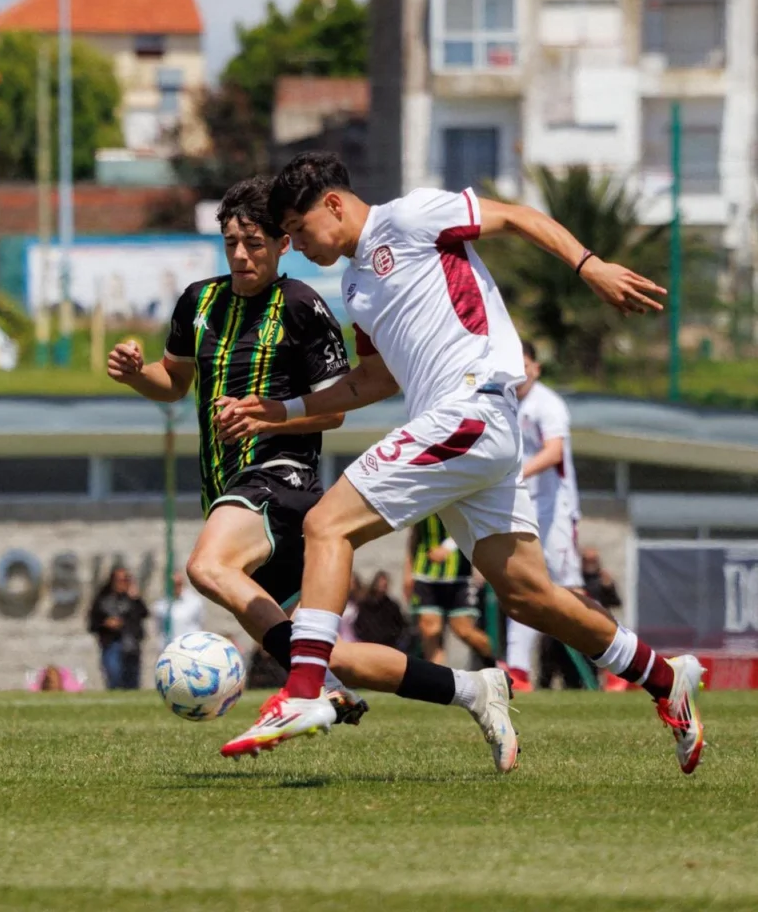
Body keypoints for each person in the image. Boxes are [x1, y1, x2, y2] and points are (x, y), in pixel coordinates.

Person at [217, 151, 706, 776]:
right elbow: (372, 381)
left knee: (325, 525)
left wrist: (590, 265)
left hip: (470, 409)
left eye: (298, 230)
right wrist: (279, 410)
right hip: (462, 434)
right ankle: (665, 679)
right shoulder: (355, 286)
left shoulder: (413, 216)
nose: (296, 245)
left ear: (333, 204)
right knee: (530, 597)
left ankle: (304, 692)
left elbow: (518, 217)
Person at [108, 175, 506, 756]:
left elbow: (334, 414)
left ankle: (309, 690)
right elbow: (173, 383)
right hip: (229, 489)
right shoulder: (198, 301)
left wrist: (266, 419)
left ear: (282, 244)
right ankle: (471, 688)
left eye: (256, 244)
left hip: (280, 481)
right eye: (232, 244)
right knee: (320, 649)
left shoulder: (304, 306)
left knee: (206, 566)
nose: (242, 255)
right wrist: (134, 373)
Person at [505, 340, 582, 691]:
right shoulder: (505, 404)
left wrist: (517, 474)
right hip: (526, 510)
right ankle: (518, 670)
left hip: (557, 513)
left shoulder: (547, 404)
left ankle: (619, 658)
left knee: (572, 591)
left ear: (536, 367)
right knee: (521, 585)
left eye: (523, 363)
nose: (518, 371)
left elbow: (554, 453)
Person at [404, 514, 494, 668]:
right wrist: (408, 571)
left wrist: (447, 547)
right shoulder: (421, 501)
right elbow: (414, 535)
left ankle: (494, 662)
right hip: (425, 574)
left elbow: (473, 527)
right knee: (430, 629)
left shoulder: (458, 496)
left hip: (459, 576)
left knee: (463, 630)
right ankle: (438, 679)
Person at [88, 567, 148, 690]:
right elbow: (92, 624)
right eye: (119, 580)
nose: (122, 583)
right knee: (114, 676)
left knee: (132, 681)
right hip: (112, 644)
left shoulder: (132, 600)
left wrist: (136, 598)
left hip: (131, 645)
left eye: (126, 580)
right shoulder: (103, 600)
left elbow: (144, 613)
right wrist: (106, 623)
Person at [353, 571, 410, 651]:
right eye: (380, 584)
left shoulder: (392, 606)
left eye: (384, 585)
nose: (382, 587)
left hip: (388, 646)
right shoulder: (366, 605)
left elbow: (400, 624)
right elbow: (360, 624)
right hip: (369, 646)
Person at [151, 573, 205, 646]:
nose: (175, 587)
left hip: (189, 649)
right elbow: (158, 628)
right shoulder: (160, 605)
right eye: (172, 584)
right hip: (167, 649)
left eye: (178, 584)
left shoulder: (195, 602)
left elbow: (200, 623)